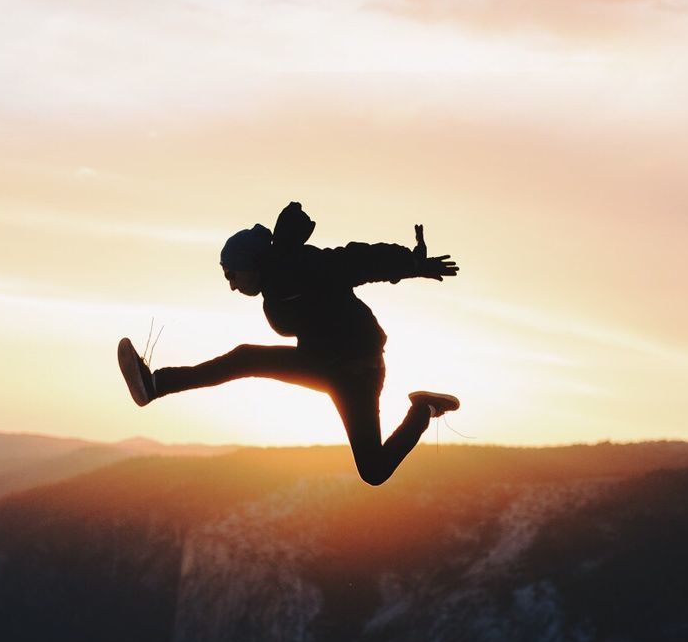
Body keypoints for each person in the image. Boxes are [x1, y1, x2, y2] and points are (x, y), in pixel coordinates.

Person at [117, 201, 459, 486]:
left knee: (373, 470)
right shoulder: (276, 287)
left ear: (250, 265)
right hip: (322, 365)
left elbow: (356, 260)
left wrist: (411, 264)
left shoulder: (300, 266)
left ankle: (422, 409)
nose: (232, 286)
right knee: (245, 358)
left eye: (231, 275)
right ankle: (155, 385)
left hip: (358, 370)